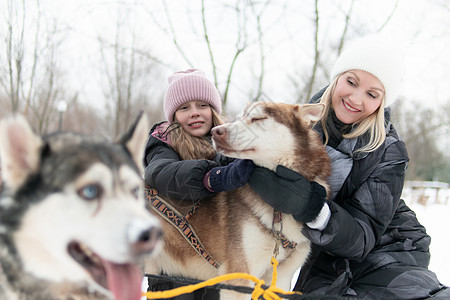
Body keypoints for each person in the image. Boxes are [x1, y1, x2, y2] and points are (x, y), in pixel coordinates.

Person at [248, 35, 450, 299]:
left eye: (371, 94)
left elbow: (363, 237)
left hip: (386, 245)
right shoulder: (300, 121)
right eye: (351, 82)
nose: (355, 98)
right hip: (326, 249)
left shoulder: (389, 150)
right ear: (337, 78)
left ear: (382, 102)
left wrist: (312, 207)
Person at [144, 68, 254, 203]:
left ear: (212, 110)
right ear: (174, 117)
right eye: (184, 108)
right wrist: (211, 178)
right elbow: (159, 173)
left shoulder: (230, 135)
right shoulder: (165, 140)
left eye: (202, 105)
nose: (194, 113)